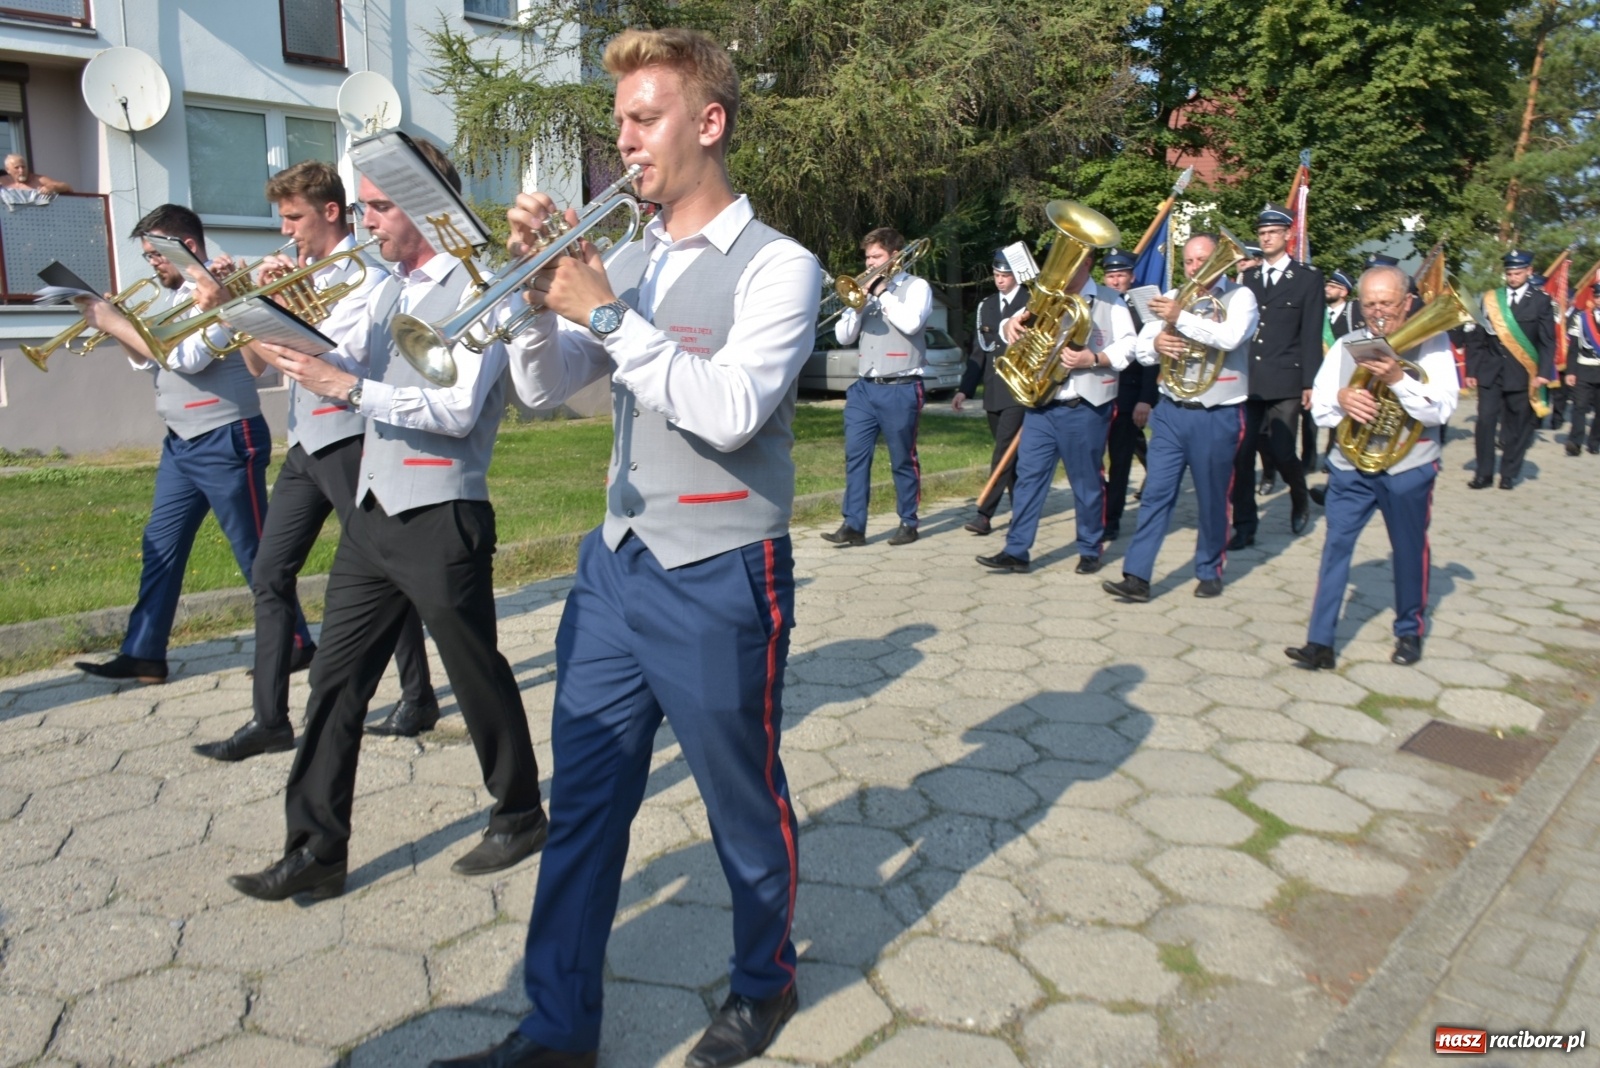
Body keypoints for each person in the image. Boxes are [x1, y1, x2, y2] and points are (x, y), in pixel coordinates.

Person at [434, 27, 819, 1068]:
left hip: (722, 570)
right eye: (617, 123)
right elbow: (544, 387)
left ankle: (764, 979)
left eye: (641, 120)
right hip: (615, 565)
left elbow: (733, 409)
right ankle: (557, 1030)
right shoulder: (632, 257)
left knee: (742, 795)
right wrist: (530, 299)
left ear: (708, 122)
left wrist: (603, 309)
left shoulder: (780, 266)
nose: (624, 143)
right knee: (588, 802)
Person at [226, 140, 548, 900]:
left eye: (378, 206)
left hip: (442, 511)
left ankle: (520, 810)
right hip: (373, 512)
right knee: (335, 685)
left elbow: (458, 407)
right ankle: (314, 848)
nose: (366, 222)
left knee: (477, 677)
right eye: (363, 208)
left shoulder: (488, 288)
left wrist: (347, 388)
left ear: (428, 204)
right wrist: (266, 313)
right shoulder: (382, 288)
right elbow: (321, 357)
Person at [193, 161, 439, 762]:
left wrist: (274, 308)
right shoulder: (299, 273)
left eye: (295, 217)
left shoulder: (368, 273)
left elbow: (339, 356)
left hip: (352, 438)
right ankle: (269, 719)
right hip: (304, 442)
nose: (287, 230)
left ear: (330, 212)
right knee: (269, 572)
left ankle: (417, 693)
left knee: (388, 570)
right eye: (282, 218)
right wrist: (245, 308)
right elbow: (259, 368)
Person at [72, 205, 312, 684]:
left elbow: (186, 358)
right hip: (181, 440)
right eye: (147, 256)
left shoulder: (227, 288)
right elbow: (148, 363)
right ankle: (144, 653)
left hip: (226, 435)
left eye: (156, 254)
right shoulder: (174, 296)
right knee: (160, 545)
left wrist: (112, 323)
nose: (152, 264)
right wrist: (120, 326)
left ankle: (297, 642)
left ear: (189, 246)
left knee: (254, 549)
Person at [1285, 265, 1459, 670]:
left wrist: (1399, 379)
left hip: (1409, 467)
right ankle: (1320, 642)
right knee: (1334, 550)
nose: (1379, 313)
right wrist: (1343, 398)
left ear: (1407, 303)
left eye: (1387, 304)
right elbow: (1322, 410)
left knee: (1408, 551)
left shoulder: (1433, 344)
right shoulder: (1347, 344)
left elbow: (1442, 408)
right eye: (1370, 305)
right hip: (1351, 468)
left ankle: (1408, 632)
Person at [1102, 234, 1258, 602]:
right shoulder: (1172, 297)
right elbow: (1141, 348)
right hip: (1172, 410)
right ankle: (1137, 575)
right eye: (1188, 262)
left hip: (1216, 412)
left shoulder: (1241, 297)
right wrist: (1156, 344)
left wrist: (1181, 319)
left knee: (1211, 497)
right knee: (1155, 493)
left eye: (1202, 260)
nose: (1194, 268)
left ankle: (1208, 569)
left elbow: (1231, 338)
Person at [974, 250, 1136, 575]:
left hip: (1084, 407)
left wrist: (1094, 359)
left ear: (1086, 264)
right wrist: (1011, 326)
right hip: (1041, 405)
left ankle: (1090, 548)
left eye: (1070, 263)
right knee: (1029, 480)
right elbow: (1008, 322)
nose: (1060, 272)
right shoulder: (1047, 297)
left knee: (1086, 482)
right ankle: (1016, 550)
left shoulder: (1110, 301)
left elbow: (1130, 345)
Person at [823, 226, 933, 547]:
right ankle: (853, 525)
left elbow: (912, 323)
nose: (869, 263)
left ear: (894, 257)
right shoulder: (862, 291)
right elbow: (843, 337)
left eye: (876, 256)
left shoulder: (916, 287)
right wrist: (857, 309)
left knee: (902, 457)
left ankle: (908, 521)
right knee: (856, 456)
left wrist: (883, 292)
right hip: (864, 388)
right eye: (867, 257)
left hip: (901, 384)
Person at [1230, 204, 1325, 547]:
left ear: (1288, 235)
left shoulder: (1307, 278)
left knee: (1284, 451)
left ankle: (1299, 496)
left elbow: (1311, 333)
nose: (1266, 236)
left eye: (1272, 231)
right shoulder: (1248, 278)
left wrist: (1309, 382)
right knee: (1242, 454)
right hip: (1250, 378)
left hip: (1286, 378)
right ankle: (1245, 526)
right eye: (1261, 232)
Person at [1464, 249, 1556, 490]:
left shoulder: (1541, 301)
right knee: (1485, 422)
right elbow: (1478, 337)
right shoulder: (1492, 299)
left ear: (1529, 271)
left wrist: (1545, 373)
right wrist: (1471, 370)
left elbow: (1548, 341)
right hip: (1490, 371)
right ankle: (1483, 474)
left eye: (1517, 273)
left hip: (1522, 373)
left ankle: (1508, 473)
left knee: (1517, 426)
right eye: (1509, 273)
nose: (1513, 277)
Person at [953, 250, 1029, 535]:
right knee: (1011, 456)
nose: (999, 281)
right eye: (996, 275)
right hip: (994, 389)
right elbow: (980, 351)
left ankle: (984, 513)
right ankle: (1022, 510)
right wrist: (964, 390)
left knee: (1003, 453)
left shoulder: (1031, 302)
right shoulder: (986, 305)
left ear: (1015, 276)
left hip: (1019, 390)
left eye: (1005, 275)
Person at [1097, 246, 1159, 541]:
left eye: (1120, 275)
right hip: (1097, 392)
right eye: (1110, 275)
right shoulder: (1097, 303)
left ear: (1131, 277)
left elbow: (1151, 357)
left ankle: (1112, 519)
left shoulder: (1142, 308)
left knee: (1119, 461)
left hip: (1128, 394)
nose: (1115, 281)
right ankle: (1096, 512)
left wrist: (1146, 399)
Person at [1564, 281, 1600, 456]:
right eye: (1598, 296)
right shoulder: (1581, 318)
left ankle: (1595, 441)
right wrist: (1570, 371)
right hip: (1583, 367)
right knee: (1579, 406)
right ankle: (1575, 442)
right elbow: (1573, 348)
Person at [0, 153, 70, 195]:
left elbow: (66, 187)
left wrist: (51, 188)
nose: (21, 170)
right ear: (8, 170)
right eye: (16, 168)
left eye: (23, 167)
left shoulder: (38, 179)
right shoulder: (3, 181)